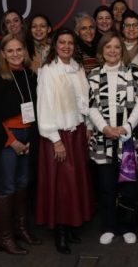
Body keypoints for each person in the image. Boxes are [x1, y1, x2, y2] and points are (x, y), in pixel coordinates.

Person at [36, 28, 94, 254]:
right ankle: (60, 231)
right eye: (62, 42)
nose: (67, 46)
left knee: (75, 182)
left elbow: (85, 100)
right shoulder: (48, 71)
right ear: (55, 45)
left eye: (70, 43)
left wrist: (88, 126)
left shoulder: (77, 68)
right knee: (61, 186)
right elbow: (44, 107)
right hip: (58, 135)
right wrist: (55, 139)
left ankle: (70, 226)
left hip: (77, 132)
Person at [87, 32, 138, 245]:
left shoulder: (133, 72)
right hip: (103, 141)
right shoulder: (93, 74)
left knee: (129, 187)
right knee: (106, 187)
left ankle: (128, 226)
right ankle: (109, 227)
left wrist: (126, 127)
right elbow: (91, 106)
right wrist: (104, 128)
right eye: (108, 47)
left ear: (122, 50)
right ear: (101, 52)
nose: (112, 51)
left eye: (116, 47)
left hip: (128, 140)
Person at [0, 35, 41, 254]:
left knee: (22, 183)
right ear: (3, 53)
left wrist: (29, 138)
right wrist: (12, 141)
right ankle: (4, 237)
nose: (16, 54)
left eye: (19, 49)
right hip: (7, 137)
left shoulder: (30, 75)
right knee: (6, 186)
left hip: (29, 134)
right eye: (10, 51)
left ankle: (20, 229)